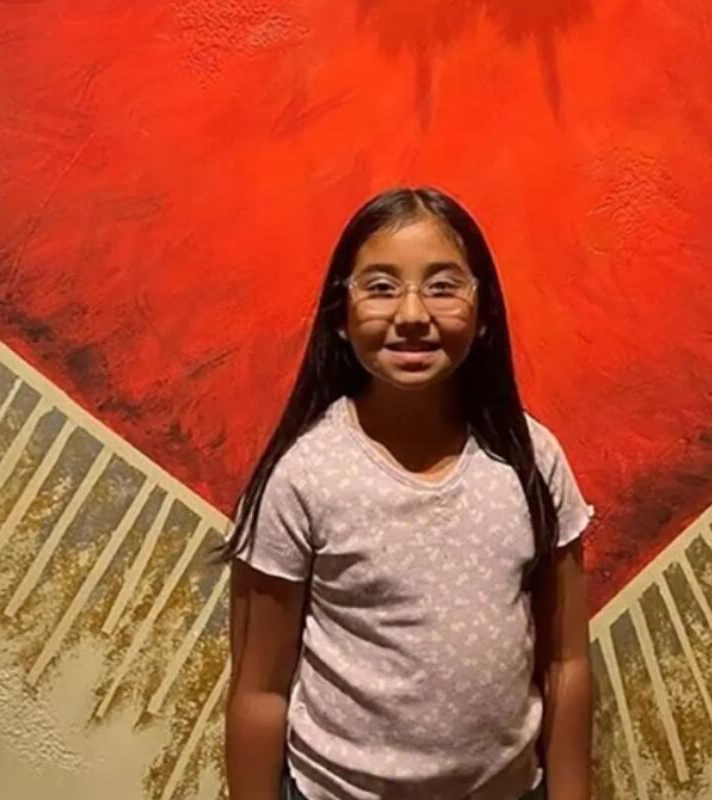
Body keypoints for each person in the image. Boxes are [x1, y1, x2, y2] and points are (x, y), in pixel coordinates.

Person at [220, 187, 594, 800]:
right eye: (382, 286)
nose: (414, 312)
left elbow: (567, 662)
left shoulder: (532, 459)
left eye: (444, 286)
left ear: (485, 311)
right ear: (341, 315)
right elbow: (260, 691)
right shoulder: (304, 476)